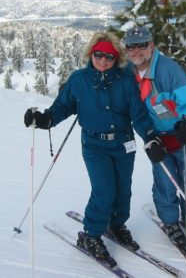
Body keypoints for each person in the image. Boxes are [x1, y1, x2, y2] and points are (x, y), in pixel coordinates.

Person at [24, 31, 162, 267]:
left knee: (123, 189)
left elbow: (138, 115)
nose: (103, 60)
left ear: (115, 58)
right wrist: (45, 119)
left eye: (109, 57)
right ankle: (90, 235)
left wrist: (151, 137)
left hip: (123, 144)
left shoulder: (125, 80)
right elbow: (63, 107)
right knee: (104, 190)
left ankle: (116, 224)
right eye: (99, 55)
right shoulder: (79, 80)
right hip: (95, 145)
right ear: (91, 53)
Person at [122, 26, 186, 253]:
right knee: (165, 185)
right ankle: (170, 222)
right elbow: (102, 75)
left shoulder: (169, 71)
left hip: (184, 137)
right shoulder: (127, 73)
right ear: (127, 49)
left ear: (151, 45)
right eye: (132, 46)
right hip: (159, 140)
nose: (137, 50)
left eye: (142, 45)